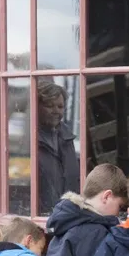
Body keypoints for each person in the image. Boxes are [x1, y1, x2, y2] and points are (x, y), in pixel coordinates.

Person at [35, 82, 80, 214]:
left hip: (69, 214)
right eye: (49, 106)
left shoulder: (67, 138)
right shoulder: (30, 141)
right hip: (42, 216)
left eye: (60, 106)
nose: (56, 111)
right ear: (37, 106)